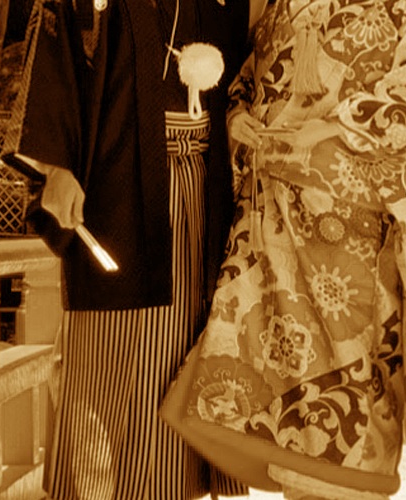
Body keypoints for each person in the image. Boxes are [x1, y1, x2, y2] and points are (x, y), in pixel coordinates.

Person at [160, 0, 406, 498]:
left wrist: (333, 127)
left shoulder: (394, 10)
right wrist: (237, 118)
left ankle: (352, 479)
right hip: (277, 224)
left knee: (355, 364)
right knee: (285, 366)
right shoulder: (277, 11)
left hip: (350, 227)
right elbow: (244, 82)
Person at [15, 0, 252, 498]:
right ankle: (95, 488)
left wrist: (243, 115)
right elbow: (58, 56)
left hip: (202, 196)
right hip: (117, 193)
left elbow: (249, 72)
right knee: (109, 353)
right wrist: (56, 169)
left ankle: (170, 486)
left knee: (184, 348)